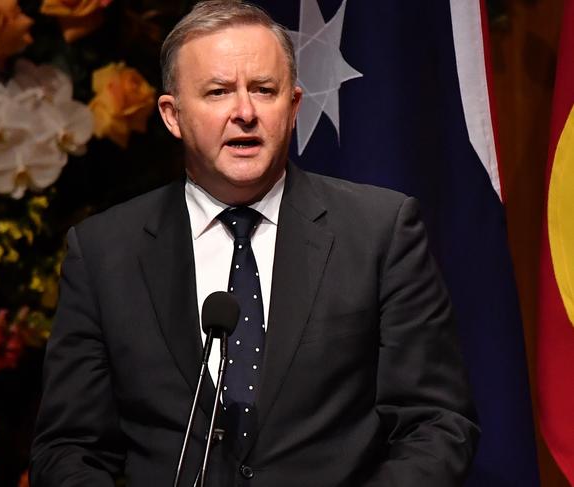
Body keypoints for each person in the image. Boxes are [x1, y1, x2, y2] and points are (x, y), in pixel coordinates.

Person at [29, 1, 479, 486]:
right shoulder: (103, 253)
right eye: (218, 92)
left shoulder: (380, 232)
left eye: (264, 90)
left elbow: (436, 424)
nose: (244, 112)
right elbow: (69, 449)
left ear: (293, 107)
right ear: (172, 114)